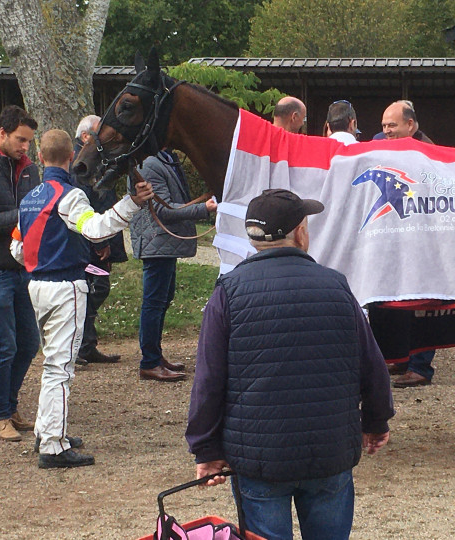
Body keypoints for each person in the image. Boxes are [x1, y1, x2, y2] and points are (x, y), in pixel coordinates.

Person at [186, 189, 394, 540]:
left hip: (259, 457)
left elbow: (209, 380)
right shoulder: (337, 286)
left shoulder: (229, 292)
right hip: (329, 451)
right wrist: (375, 420)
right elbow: (372, 366)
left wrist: (206, 449)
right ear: (300, 232)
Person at [10, 129, 154, 468]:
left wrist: (41, 258)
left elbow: (17, 248)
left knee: (51, 365)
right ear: (71, 158)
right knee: (60, 367)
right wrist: (132, 203)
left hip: (36, 286)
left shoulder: (31, 197)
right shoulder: (70, 196)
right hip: (66, 287)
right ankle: (54, 445)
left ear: (41, 158)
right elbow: (96, 229)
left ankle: (48, 432)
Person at [0, 105, 41, 442]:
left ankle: (10, 405)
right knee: (5, 344)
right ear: (1, 134)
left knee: (29, 341)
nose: (25, 147)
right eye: (20, 140)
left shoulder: (30, 170)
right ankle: (0, 415)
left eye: (29, 142)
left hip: (24, 268)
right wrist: (24, 215)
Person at [129, 149, 217, 382]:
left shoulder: (163, 161)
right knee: (154, 303)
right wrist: (204, 209)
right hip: (156, 241)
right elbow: (162, 209)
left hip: (161, 243)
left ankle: (154, 357)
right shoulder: (149, 164)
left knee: (161, 300)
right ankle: (149, 362)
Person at [377, 100, 436, 388]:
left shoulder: (428, 156)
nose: (387, 131)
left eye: (393, 125)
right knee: (398, 300)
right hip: (396, 241)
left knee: (422, 301)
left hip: (422, 242)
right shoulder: (390, 150)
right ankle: (402, 357)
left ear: (410, 125)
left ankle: (421, 366)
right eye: (384, 126)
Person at [72, 114, 126, 365]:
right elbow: (87, 207)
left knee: (98, 286)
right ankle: (81, 343)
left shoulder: (97, 160)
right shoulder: (81, 165)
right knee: (96, 287)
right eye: (98, 133)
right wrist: (99, 243)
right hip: (90, 245)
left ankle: (86, 343)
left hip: (100, 242)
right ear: (85, 137)